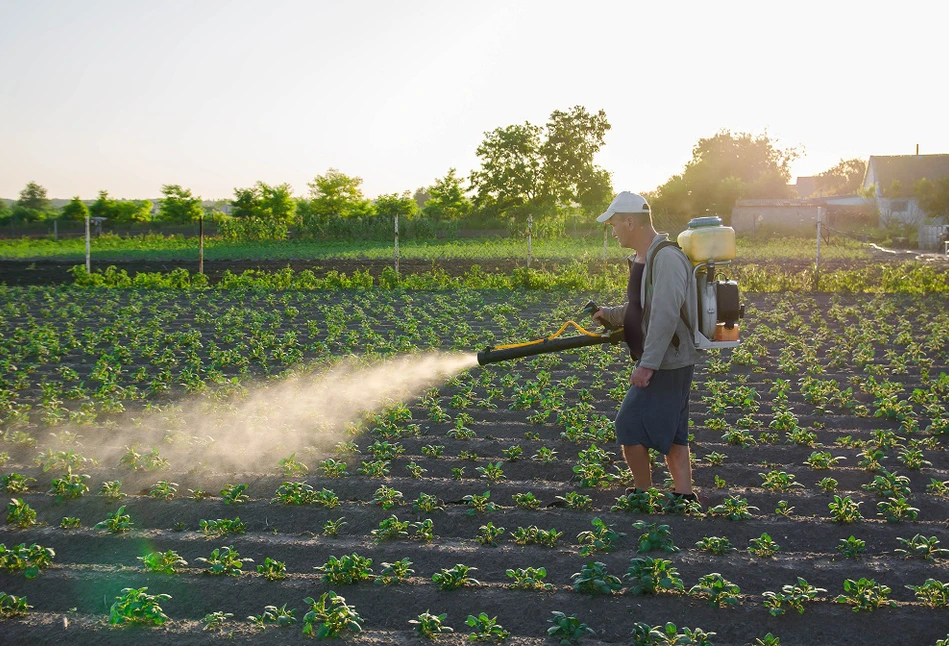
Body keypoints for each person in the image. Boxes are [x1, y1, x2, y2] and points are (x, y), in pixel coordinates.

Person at [590, 191, 700, 504]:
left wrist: (647, 365)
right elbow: (642, 306)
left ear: (630, 221)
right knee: (675, 434)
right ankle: (683, 495)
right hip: (666, 359)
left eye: (614, 223)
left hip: (667, 361)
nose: (612, 230)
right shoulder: (645, 257)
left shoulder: (665, 258)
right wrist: (609, 316)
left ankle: (642, 494)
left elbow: (665, 314)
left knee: (627, 425)